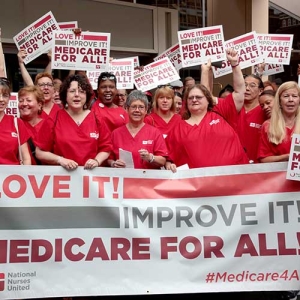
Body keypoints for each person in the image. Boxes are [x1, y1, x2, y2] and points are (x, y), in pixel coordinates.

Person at [165, 48, 249, 171]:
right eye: (190, 98)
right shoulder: (178, 129)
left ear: (208, 99)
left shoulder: (221, 113)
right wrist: (168, 164)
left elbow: (240, 92)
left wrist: (235, 64)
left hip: (232, 182)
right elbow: (168, 157)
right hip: (197, 186)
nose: (194, 100)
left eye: (198, 97)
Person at [35, 74, 112, 170]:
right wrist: (60, 160)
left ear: (87, 96)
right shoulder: (54, 119)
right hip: (62, 179)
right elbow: (39, 152)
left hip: (90, 180)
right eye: (72, 91)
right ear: (65, 95)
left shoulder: (97, 119)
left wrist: (96, 161)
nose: (77, 95)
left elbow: (106, 148)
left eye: (81, 91)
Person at [108, 90, 168, 169]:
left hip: (147, 180)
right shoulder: (116, 133)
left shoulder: (155, 133)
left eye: (141, 107)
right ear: (126, 109)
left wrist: (150, 158)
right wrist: (113, 163)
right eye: (133, 107)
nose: (137, 110)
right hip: (124, 179)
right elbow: (109, 158)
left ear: (146, 110)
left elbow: (163, 160)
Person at [257, 81, 300, 163]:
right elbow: (263, 159)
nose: (290, 100)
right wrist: (289, 157)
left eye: (294, 96)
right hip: (278, 175)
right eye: (286, 96)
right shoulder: (267, 126)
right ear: (279, 101)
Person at [0, 77, 31, 165]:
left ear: (9, 98)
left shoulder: (16, 122)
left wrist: (26, 176)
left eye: (5, 95)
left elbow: (26, 158)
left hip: (12, 177)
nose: (1, 99)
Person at [18, 85, 45, 164]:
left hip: (47, 174)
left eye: (28, 100)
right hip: (21, 174)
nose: (24, 103)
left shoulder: (49, 125)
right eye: (21, 100)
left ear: (39, 105)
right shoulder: (14, 125)